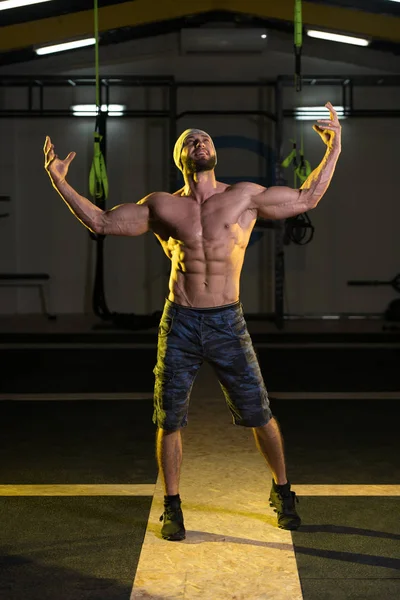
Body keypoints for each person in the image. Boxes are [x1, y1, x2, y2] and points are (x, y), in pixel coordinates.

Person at [44, 102, 341, 541]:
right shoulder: (162, 206)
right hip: (180, 321)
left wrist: (335, 147)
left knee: (260, 413)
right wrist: (59, 182)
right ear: (179, 158)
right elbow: (103, 222)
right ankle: (173, 507)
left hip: (227, 321)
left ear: (214, 152)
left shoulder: (244, 196)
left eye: (204, 138)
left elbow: (306, 197)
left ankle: (283, 492)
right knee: (170, 419)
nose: (197, 142)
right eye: (188, 140)